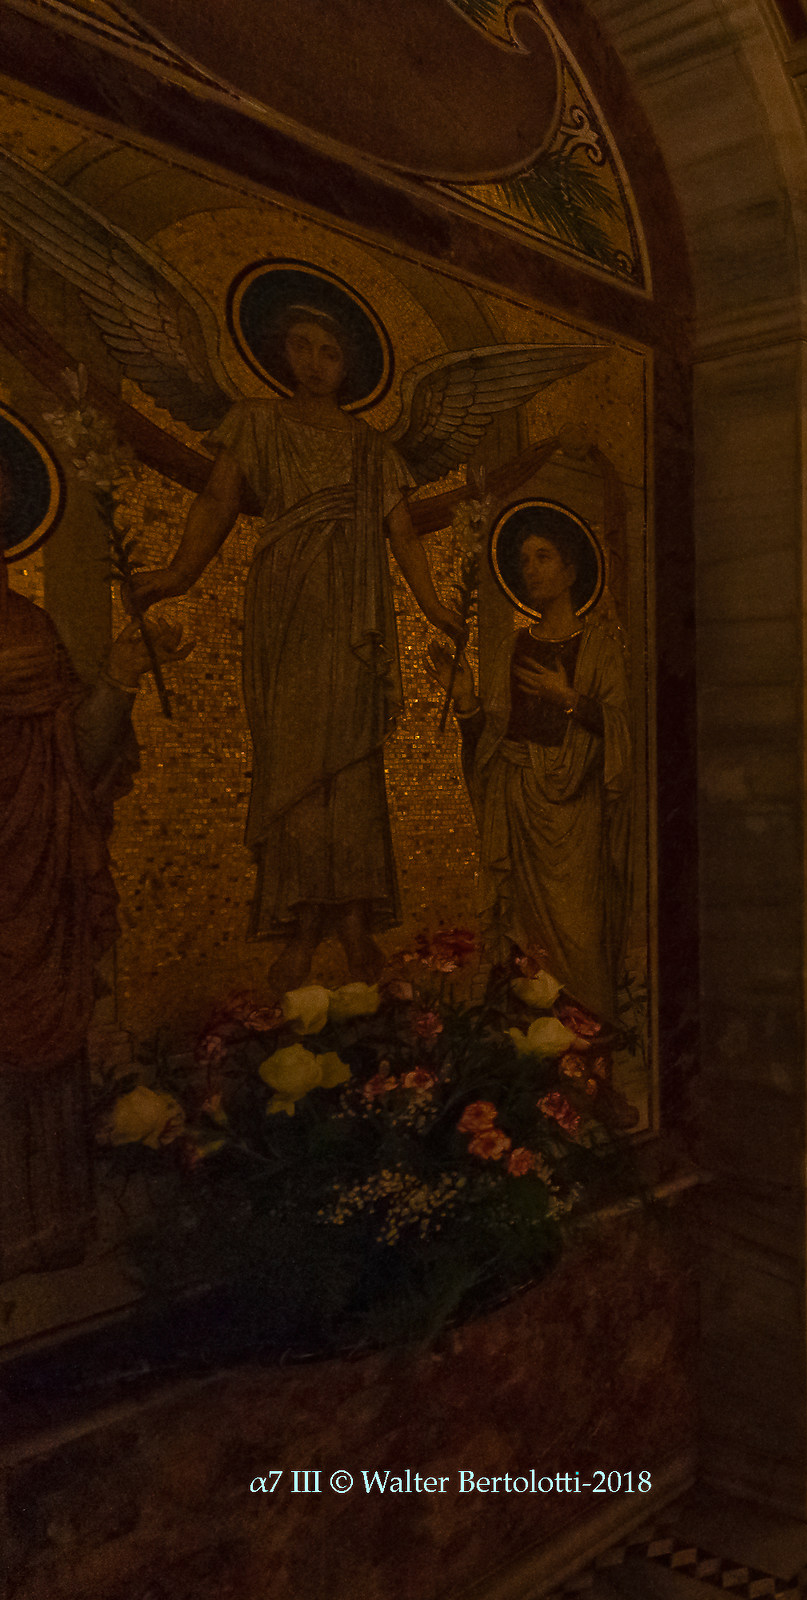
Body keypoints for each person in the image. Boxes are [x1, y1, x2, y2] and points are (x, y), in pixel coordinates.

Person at [130, 303, 464, 992]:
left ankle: (350, 919)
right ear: (280, 353)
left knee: (353, 767)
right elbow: (220, 500)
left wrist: (435, 608)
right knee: (293, 759)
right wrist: (178, 572)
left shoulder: (372, 449)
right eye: (301, 346)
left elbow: (402, 533)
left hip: (354, 608)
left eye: (329, 352)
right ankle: (300, 921)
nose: (314, 361)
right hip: (287, 601)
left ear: (350, 368)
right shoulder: (257, 421)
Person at [1, 563, 190, 1280]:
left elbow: (75, 756)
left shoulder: (33, 629)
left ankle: (48, 1227)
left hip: (37, 875)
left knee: (45, 1052)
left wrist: (119, 676)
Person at [429, 527, 630, 1024]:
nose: (531, 568)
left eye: (544, 556)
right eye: (524, 559)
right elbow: (492, 742)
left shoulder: (601, 646)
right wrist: (465, 699)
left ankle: (592, 1038)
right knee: (523, 938)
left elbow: (625, 730)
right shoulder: (512, 645)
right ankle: (532, 1042)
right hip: (517, 807)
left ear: (571, 570)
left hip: (576, 819)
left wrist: (568, 700)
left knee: (581, 931)